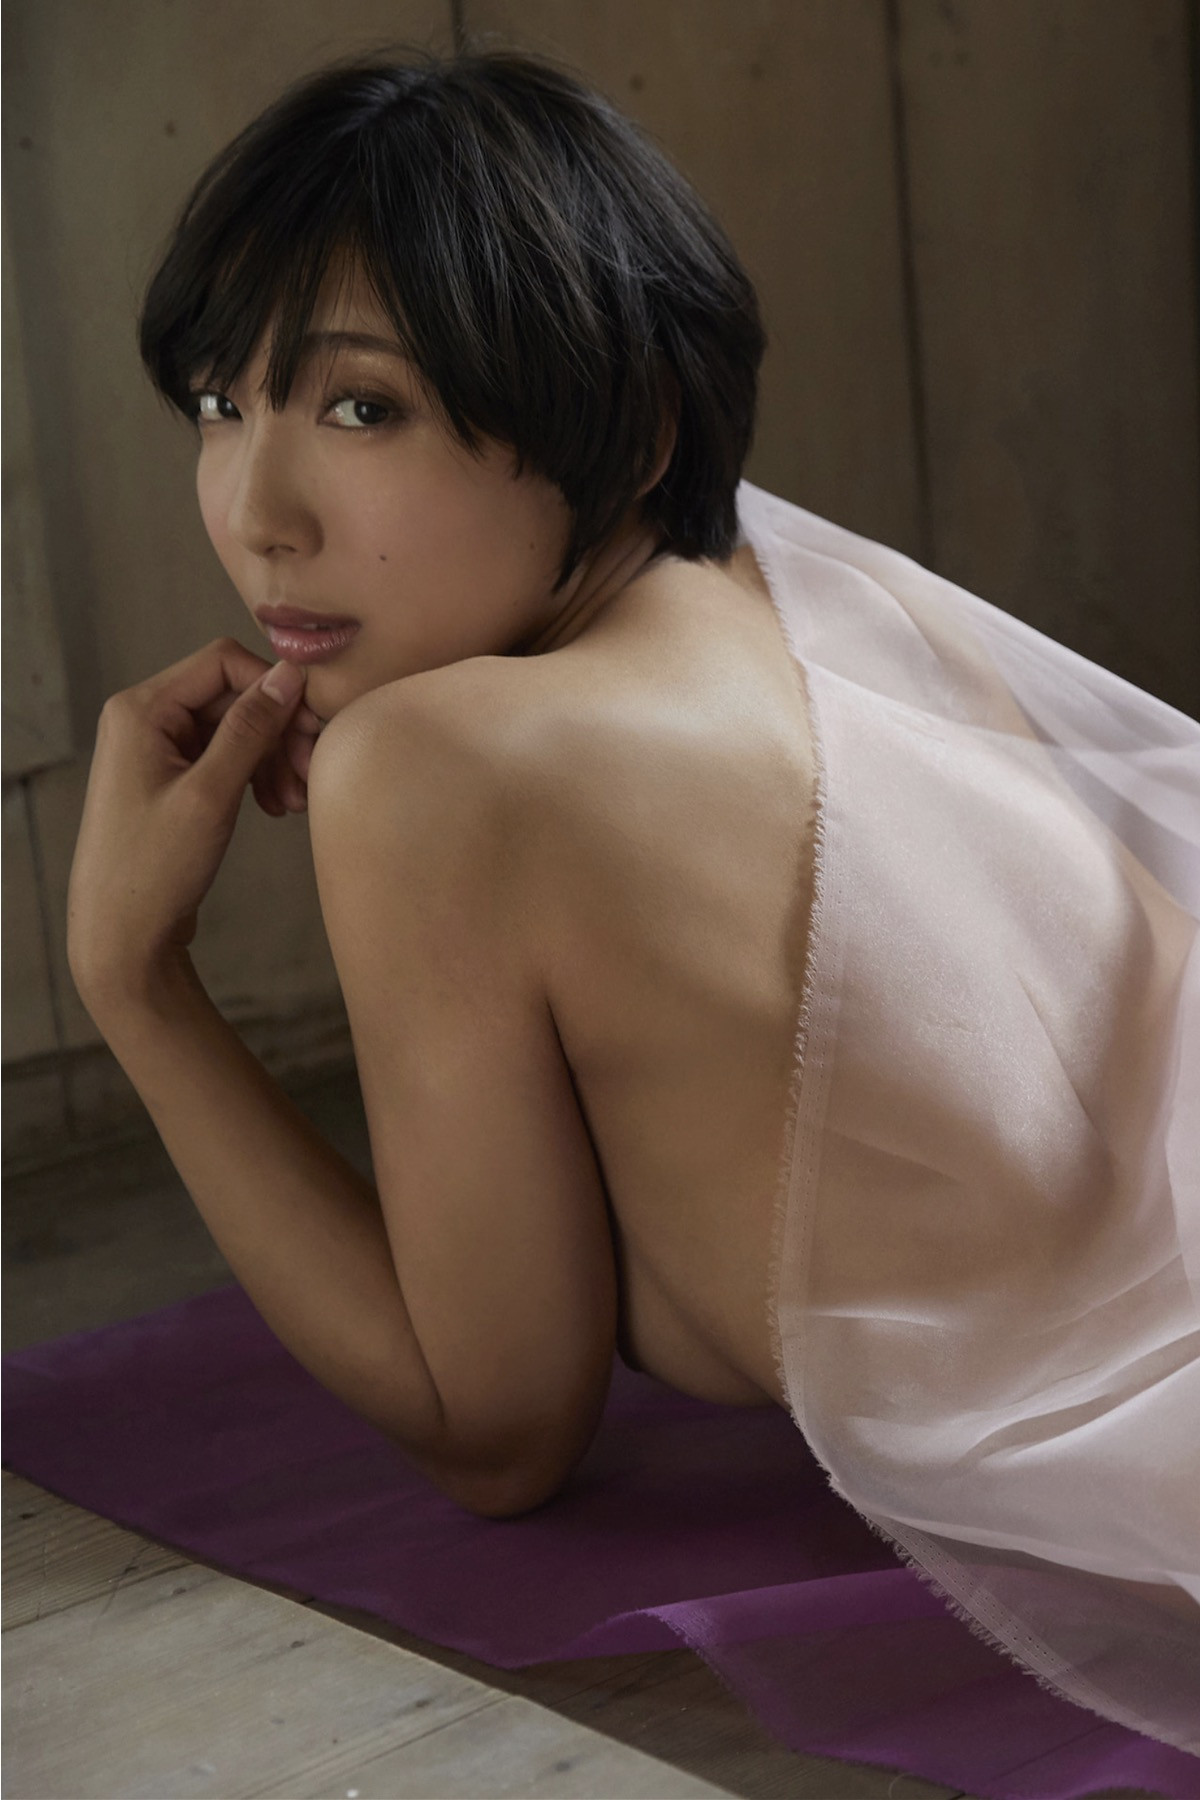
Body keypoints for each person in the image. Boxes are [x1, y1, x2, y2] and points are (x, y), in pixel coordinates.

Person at [65, 47, 1199, 1753]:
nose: (259, 514)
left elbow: (495, 1435)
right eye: (224, 404)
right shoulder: (794, 586)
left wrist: (134, 979)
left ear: (634, 420)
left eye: (362, 410)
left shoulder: (439, 768)